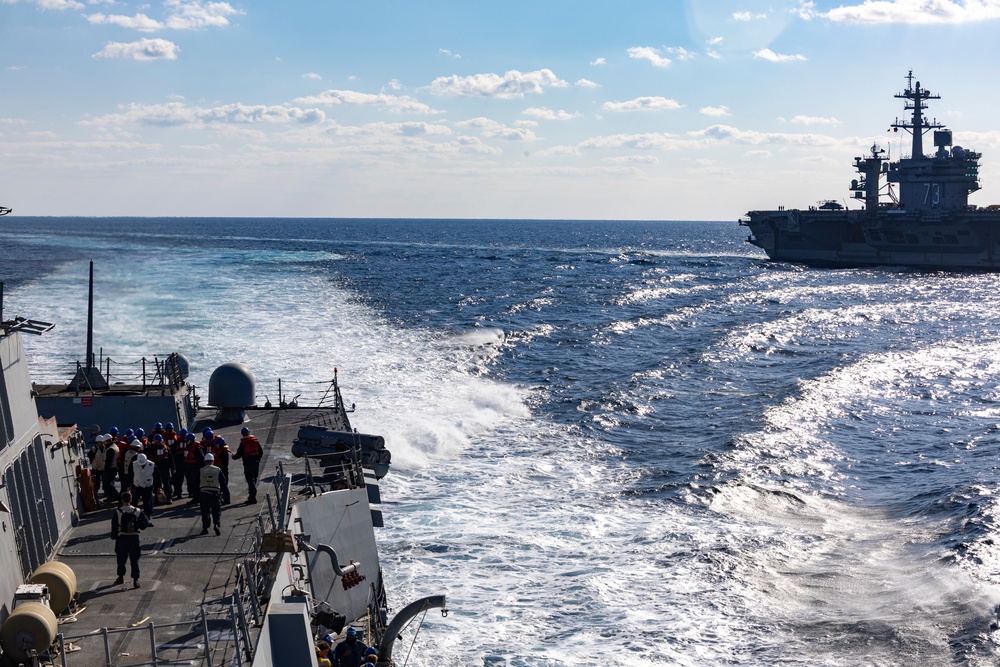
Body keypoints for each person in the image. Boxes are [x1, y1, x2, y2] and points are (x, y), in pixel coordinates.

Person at [111, 491, 150, 588]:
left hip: (122, 538)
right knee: (134, 559)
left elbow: (114, 528)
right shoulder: (137, 511)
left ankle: (120, 577)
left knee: (121, 559)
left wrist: (115, 537)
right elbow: (146, 523)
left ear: (122, 500)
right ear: (131, 500)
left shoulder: (118, 512)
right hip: (134, 538)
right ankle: (135, 580)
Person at [233, 426, 264, 504]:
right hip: (255, 464)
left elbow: (239, 454)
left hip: (247, 465)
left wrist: (233, 457)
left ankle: (252, 497)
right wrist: (258, 459)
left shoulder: (243, 443)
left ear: (242, 434)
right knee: (254, 479)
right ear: (249, 433)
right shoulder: (255, 441)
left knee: (250, 481)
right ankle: (251, 496)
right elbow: (260, 452)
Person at [199, 452, 225, 536]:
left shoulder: (201, 470)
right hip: (215, 493)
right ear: (213, 461)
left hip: (204, 493)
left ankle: (205, 528)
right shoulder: (217, 469)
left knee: (205, 511)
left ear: (205, 461)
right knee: (216, 510)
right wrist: (222, 491)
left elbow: (194, 480)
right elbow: (223, 481)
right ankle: (216, 524)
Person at [147, 433, 174, 504]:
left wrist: (173, 468)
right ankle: (157, 499)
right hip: (155, 469)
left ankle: (169, 498)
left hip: (165, 468)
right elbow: (147, 457)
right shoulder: (151, 448)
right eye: (156, 442)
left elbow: (171, 458)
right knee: (156, 485)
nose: (158, 443)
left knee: (166, 484)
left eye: (159, 442)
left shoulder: (166, 448)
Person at [131, 452, 157, 517]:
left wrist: (158, 486)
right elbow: (130, 475)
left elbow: (157, 476)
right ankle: (134, 517)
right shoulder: (133, 464)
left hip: (148, 486)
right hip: (137, 486)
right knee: (134, 502)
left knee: (148, 503)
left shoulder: (152, 465)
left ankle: (148, 517)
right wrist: (129, 486)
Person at [181, 433, 205, 504]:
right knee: (191, 484)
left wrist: (197, 468)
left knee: (196, 485)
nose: (186, 442)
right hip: (188, 470)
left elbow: (202, 459)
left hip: (195, 470)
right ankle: (195, 498)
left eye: (188, 441)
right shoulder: (187, 448)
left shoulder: (197, 448)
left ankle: (199, 498)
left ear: (191, 441)